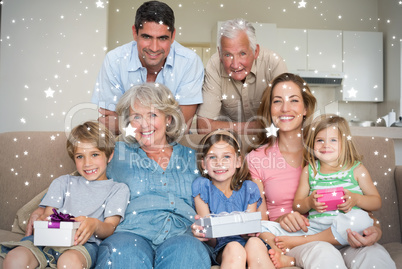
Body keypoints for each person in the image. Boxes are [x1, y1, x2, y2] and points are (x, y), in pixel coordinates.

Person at [246, 73, 396, 268]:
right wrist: (284, 218)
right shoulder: (257, 159)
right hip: (298, 238)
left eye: (294, 100)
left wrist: (375, 229)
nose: (285, 108)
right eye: (277, 101)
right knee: (323, 254)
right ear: (269, 108)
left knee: (374, 257)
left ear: (306, 107)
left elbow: (360, 204)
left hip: (346, 234)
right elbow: (259, 222)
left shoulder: (325, 147)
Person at [93, 83, 212, 268]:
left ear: (169, 119)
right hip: (130, 233)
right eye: (136, 117)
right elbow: (82, 180)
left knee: (187, 254)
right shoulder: (116, 154)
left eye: (153, 115)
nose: (144, 124)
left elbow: (225, 192)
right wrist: (46, 207)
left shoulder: (194, 158)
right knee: (123, 255)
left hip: (184, 234)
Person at [1, 121, 130, 269]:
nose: (87, 163)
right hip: (47, 241)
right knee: (14, 259)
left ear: (109, 155)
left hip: (81, 245)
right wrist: (42, 221)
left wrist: (94, 225)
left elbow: (110, 226)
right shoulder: (63, 182)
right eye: (80, 156)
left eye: (94, 154)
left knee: (69, 263)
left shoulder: (118, 189)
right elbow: (48, 215)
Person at [259, 114, 381, 268]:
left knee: (360, 218)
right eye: (320, 140)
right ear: (313, 144)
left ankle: (302, 242)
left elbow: (376, 201)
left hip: (349, 231)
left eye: (333, 140)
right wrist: (309, 202)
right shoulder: (310, 170)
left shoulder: (356, 169)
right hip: (316, 228)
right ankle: (312, 240)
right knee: (263, 226)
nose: (325, 145)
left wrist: (357, 199)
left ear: (344, 144)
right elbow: (298, 205)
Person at [92, 1, 204, 134]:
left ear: (173, 36)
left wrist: (124, 125)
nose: (154, 48)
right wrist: (163, 122)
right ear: (135, 32)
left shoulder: (189, 63)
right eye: (147, 37)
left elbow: (181, 126)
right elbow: (109, 124)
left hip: (174, 148)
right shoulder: (114, 61)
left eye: (162, 38)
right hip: (126, 146)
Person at [191, 129, 274, 268]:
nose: (219, 162)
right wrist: (204, 232)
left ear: (238, 162)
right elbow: (210, 238)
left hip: (248, 242)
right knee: (234, 248)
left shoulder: (249, 188)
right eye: (212, 157)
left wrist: (249, 232)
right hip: (223, 247)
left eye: (226, 157)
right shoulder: (202, 186)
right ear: (204, 164)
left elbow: (250, 232)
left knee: (255, 243)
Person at [197, 18, 287, 134]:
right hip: (228, 142)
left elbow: (285, 120)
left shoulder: (273, 63)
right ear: (220, 54)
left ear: (256, 52)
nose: (235, 65)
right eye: (228, 55)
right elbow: (204, 126)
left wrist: (224, 126)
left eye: (242, 53)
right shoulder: (214, 65)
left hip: (267, 142)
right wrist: (258, 126)